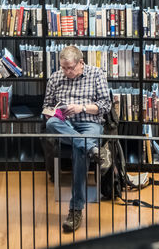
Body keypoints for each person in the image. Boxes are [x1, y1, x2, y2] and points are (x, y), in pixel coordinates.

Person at [43, 45, 111, 232]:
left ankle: (75, 209)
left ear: (81, 63)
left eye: (70, 68)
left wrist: (81, 108)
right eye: (63, 68)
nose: (67, 72)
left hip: (90, 123)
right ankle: (93, 149)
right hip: (64, 125)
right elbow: (47, 107)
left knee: (79, 151)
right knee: (50, 125)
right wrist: (54, 113)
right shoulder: (56, 77)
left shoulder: (96, 74)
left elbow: (105, 106)